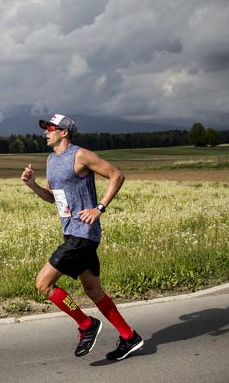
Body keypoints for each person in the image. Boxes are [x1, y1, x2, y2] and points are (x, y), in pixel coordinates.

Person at [20, 113, 144, 360]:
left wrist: (99, 208)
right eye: (45, 128)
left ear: (64, 132)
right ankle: (129, 337)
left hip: (83, 234)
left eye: (50, 128)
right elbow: (53, 198)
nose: (46, 131)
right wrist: (33, 185)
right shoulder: (52, 159)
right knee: (93, 290)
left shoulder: (80, 155)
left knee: (43, 284)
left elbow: (116, 175)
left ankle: (87, 325)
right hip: (71, 234)